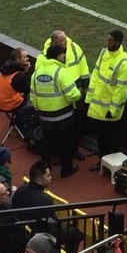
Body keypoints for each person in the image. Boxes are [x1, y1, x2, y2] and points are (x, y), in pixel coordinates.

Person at [29, 42, 81, 177]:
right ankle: (66, 169)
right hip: (64, 118)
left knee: (47, 145)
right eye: (63, 54)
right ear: (58, 56)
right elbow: (73, 94)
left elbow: (33, 96)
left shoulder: (37, 73)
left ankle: (45, 170)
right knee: (66, 145)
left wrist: (40, 108)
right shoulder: (61, 72)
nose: (64, 56)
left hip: (45, 118)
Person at [85, 29, 127, 165]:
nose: (107, 43)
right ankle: (102, 160)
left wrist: (112, 110)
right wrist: (89, 98)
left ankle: (109, 163)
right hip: (98, 107)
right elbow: (95, 75)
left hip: (109, 112)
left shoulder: (125, 63)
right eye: (107, 40)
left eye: (110, 41)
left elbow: (121, 90)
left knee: (110, 139)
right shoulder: (103, 53)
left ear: (118, 42)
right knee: (101, 137)